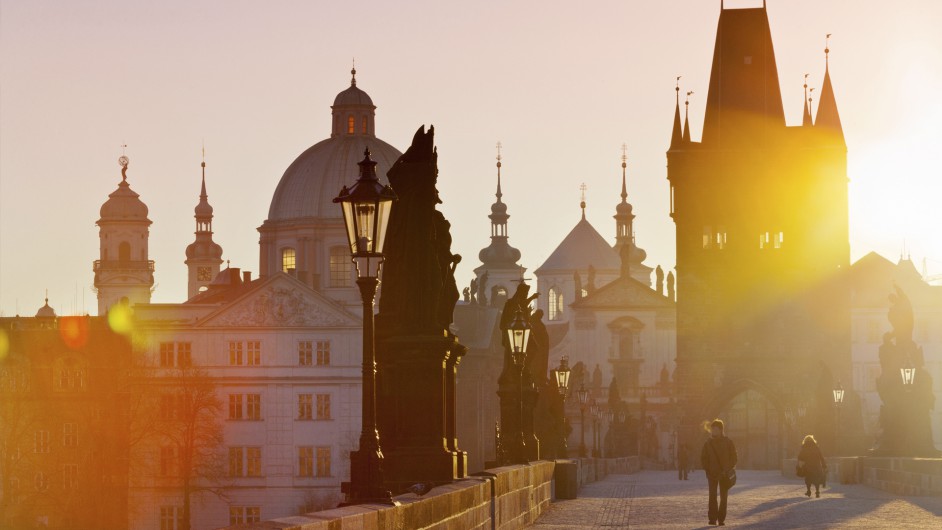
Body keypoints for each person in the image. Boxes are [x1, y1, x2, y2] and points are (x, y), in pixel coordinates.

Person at [701, 419, 737, 526]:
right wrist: (707, 469)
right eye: (712, 429)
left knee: (723, 497)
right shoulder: (708, 443)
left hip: (724, 474)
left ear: (721, 430)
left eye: (715, 429)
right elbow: (703, 458)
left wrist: (727, 469)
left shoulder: (728, 442)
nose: (713, 431)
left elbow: (734, 457)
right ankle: (712, 518)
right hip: (712, 474)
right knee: (712, 496)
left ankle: (721, 519)